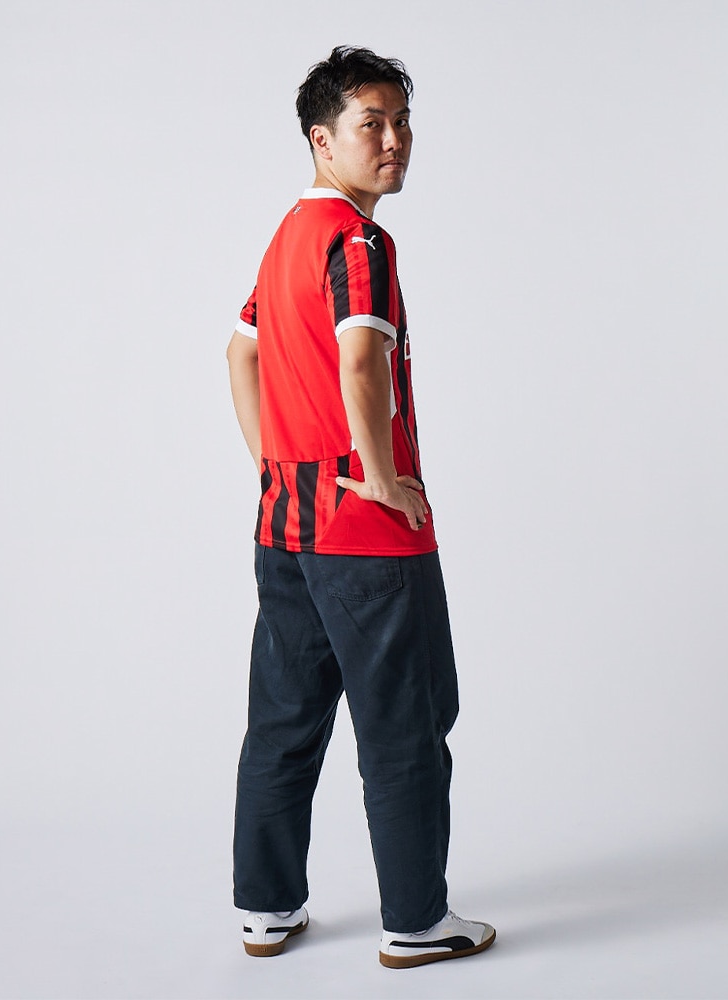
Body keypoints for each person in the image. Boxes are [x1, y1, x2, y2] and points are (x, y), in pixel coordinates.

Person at [226, 45, 495, 969]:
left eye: (402, 123)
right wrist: (377, 475)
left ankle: (266, 911)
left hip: (286, 526)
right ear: (322, 138)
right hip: (365, 536)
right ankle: (416, 923)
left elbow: (240, 353)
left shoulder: (284, 239)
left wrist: (274, 463)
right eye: (371, 124)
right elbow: (360, 360)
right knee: (407, 725)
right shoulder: (357, 242)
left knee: (283, 722)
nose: (393, 141)